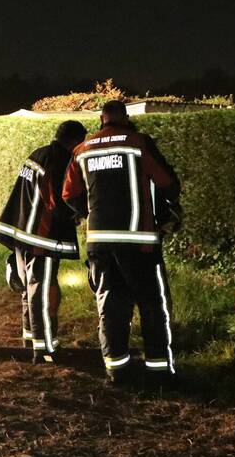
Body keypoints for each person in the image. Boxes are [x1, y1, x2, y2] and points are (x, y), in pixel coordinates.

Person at [62, 100, 182, 386]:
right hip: (138, 242)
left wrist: (88, 211)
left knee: (110, 305)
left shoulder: (83, 149)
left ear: (101, 120)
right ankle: (159, 371)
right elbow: (167, 182)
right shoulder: (138, 142)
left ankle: (117, 369)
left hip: (100, 243)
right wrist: (167, 210)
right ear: (125, 118)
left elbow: (68, 193)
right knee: (152, 305)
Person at [0, 120, 88, 363]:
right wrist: (78, 212)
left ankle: (30, 340)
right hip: (41, 238)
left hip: (21, 234)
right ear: (75, 141)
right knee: (43, 290)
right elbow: (58, 200)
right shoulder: (59, 160)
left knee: (30, 289)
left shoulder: (38, 154)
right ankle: (44, 348)